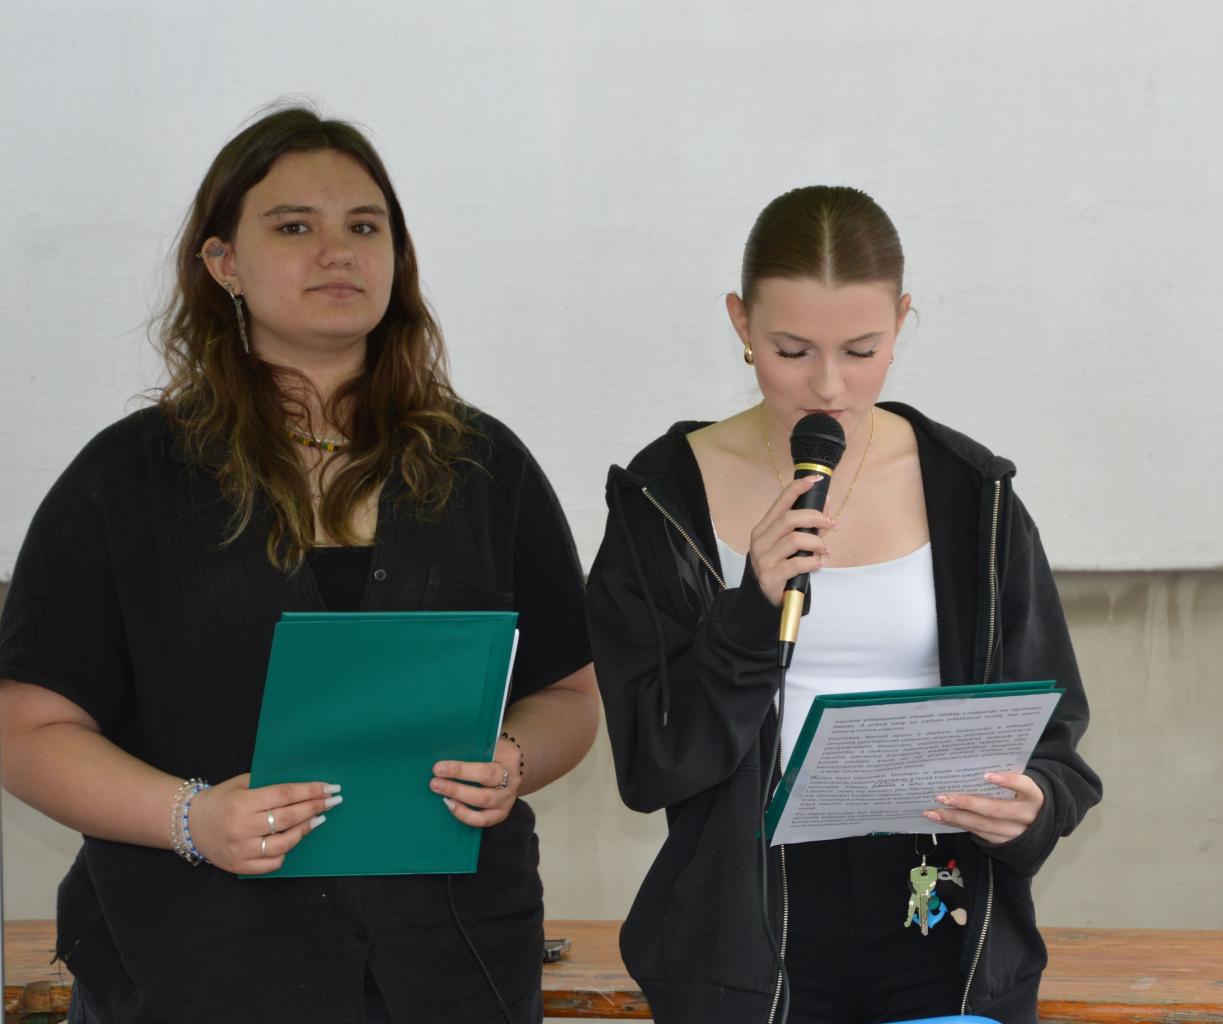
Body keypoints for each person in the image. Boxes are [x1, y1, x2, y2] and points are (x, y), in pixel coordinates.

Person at [0, 106, 598, 1024]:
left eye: (364, 226)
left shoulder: (484, 467)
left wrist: (512, 759)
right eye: (293, 227)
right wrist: (190, 819)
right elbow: (26, 728)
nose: (337, 252)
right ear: (222, 264)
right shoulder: (128, 478)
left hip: (453, 969)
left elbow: (570, 694)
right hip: (196, 972)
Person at [585, 186, 1102, 1024]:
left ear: (901, 322)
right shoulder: (661, 499)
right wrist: (750, 611)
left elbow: (1054, 736)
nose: (827, 385)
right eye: (790, 350)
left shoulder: (970, 491)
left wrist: (1032, 804)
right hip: (746, 933)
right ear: (739, 323)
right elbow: (653, 764)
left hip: (941, 915)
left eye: (861, 350)